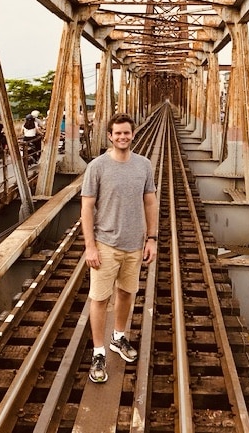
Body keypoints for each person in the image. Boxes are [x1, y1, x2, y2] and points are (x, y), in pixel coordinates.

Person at [81, 112, 158, 384]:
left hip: (134, 244)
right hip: (106, 244)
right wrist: (90, 246)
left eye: (127, 132)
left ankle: (119, 337)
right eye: (118, 133)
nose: (123, 137)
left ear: (132, 135)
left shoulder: (144, 165)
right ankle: (99, 351)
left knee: (127, 293)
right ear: (110, 136)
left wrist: (152, 238)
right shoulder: (97, 167)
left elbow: (150, 202)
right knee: (100, 299)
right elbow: (87, 207)